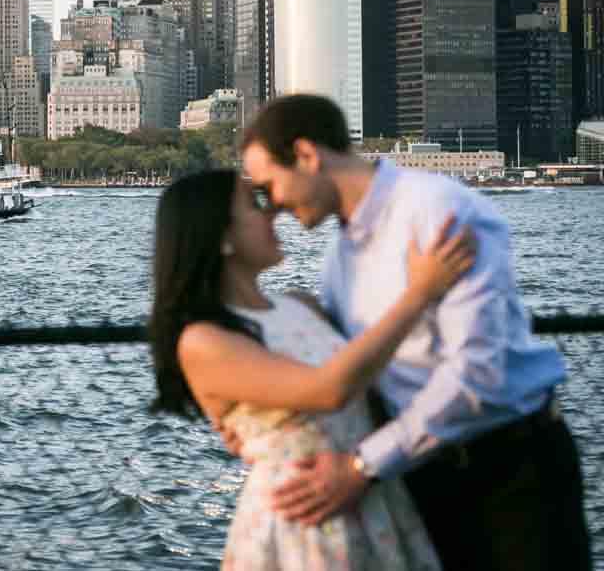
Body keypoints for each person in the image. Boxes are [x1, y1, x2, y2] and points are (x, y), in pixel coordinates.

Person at [226, 94, 591, 571]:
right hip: (418, 475)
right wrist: (260, 419)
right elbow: (357, 371)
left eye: (270, 184)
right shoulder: (339, 258)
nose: (271, 205)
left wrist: (361, 467)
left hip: (508, 473)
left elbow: (478, 374)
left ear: (308, 156)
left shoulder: (434, 209)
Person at [149, 168, 475, 569]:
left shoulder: (300, 305)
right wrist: (421, 292)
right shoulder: (203, 340)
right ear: (223, 237)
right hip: (305, 517)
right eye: (255, 205)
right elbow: (330, 388)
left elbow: (369, 372)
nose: (274, 213)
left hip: (367, 489)